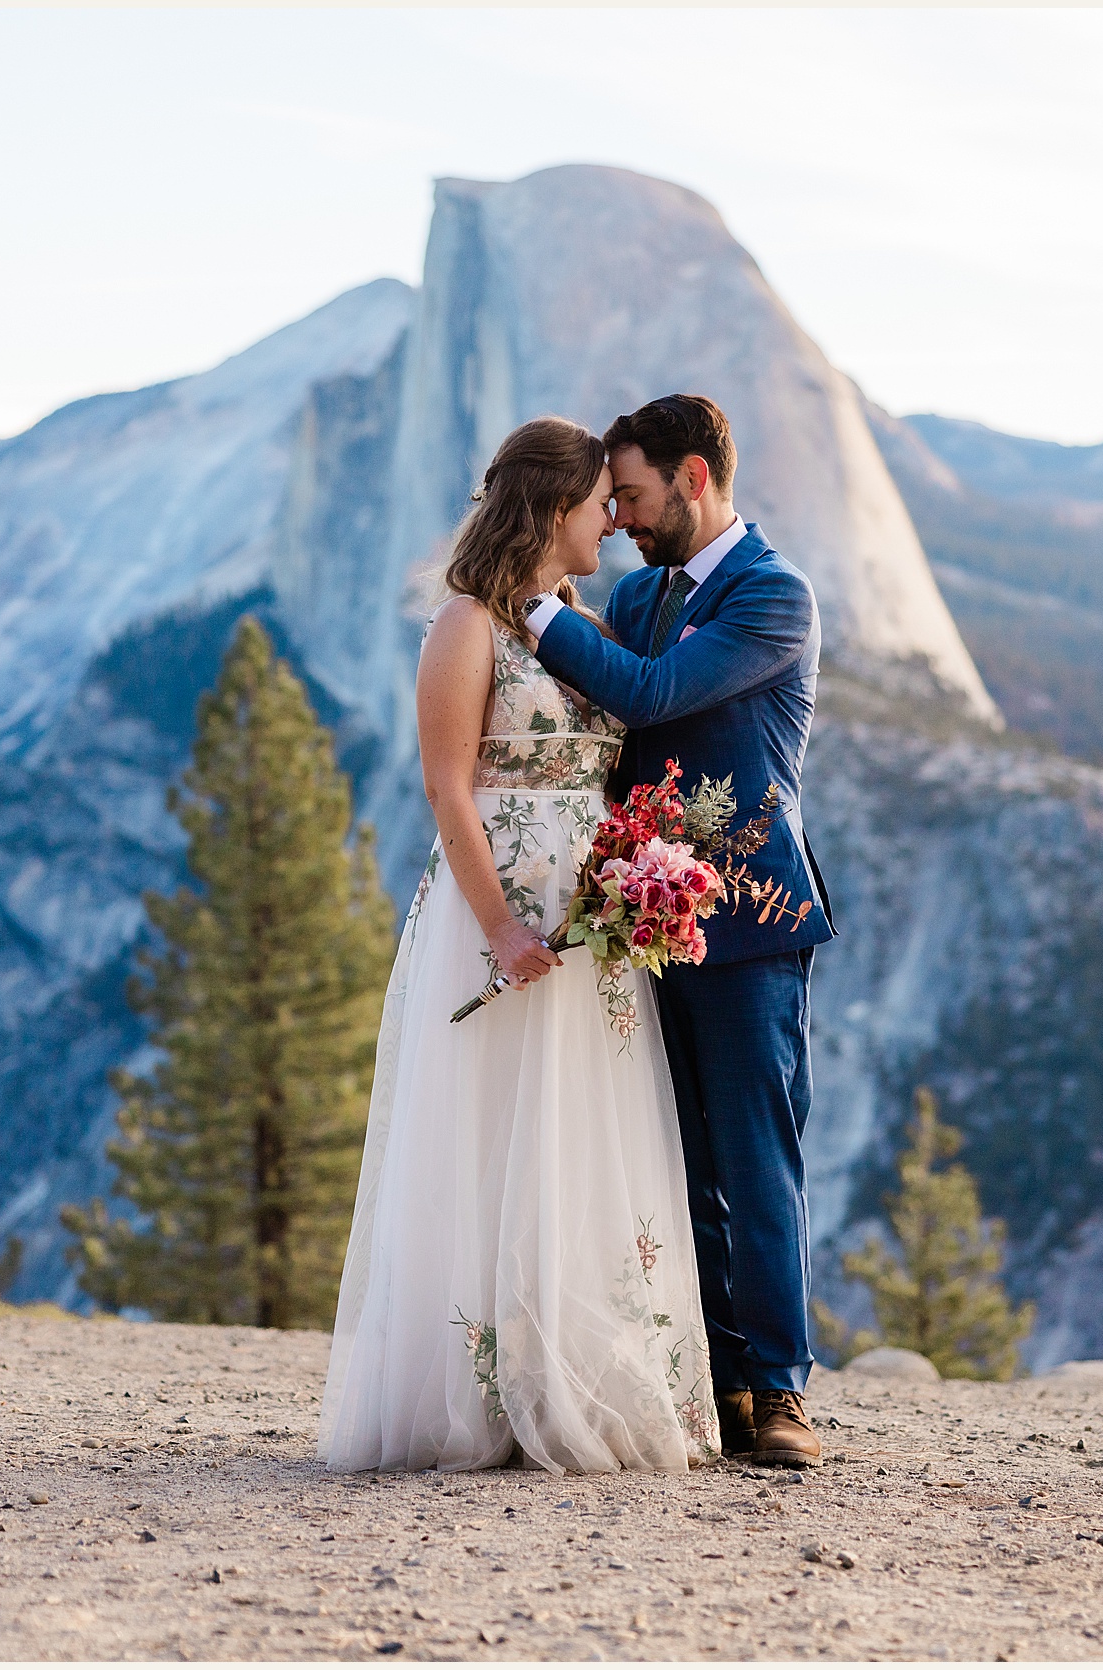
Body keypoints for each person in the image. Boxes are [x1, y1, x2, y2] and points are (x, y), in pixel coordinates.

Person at [319, 416, 719, 1474]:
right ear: (552, 508)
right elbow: (447, 783)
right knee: (493, 1133)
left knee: (577, 1137)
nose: (613, 518)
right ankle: (478, 1393)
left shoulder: (575, 621)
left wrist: (644, 874)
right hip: (497, 911)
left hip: (591, 923)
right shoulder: (463, 625)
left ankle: (568, 1373)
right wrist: (498, 923)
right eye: (599, 501)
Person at [526, 394, 835, 1469]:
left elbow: (649, 694)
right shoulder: (641, 591)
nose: (620, 516)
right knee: (678, 1157)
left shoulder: (775, 595)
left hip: (751, 925)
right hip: (647, 921)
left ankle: (785, 1390)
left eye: (636, 494)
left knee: (757, 1159)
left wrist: (524, 601)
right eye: (611, 499)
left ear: (695, 477)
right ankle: (721, 1384)